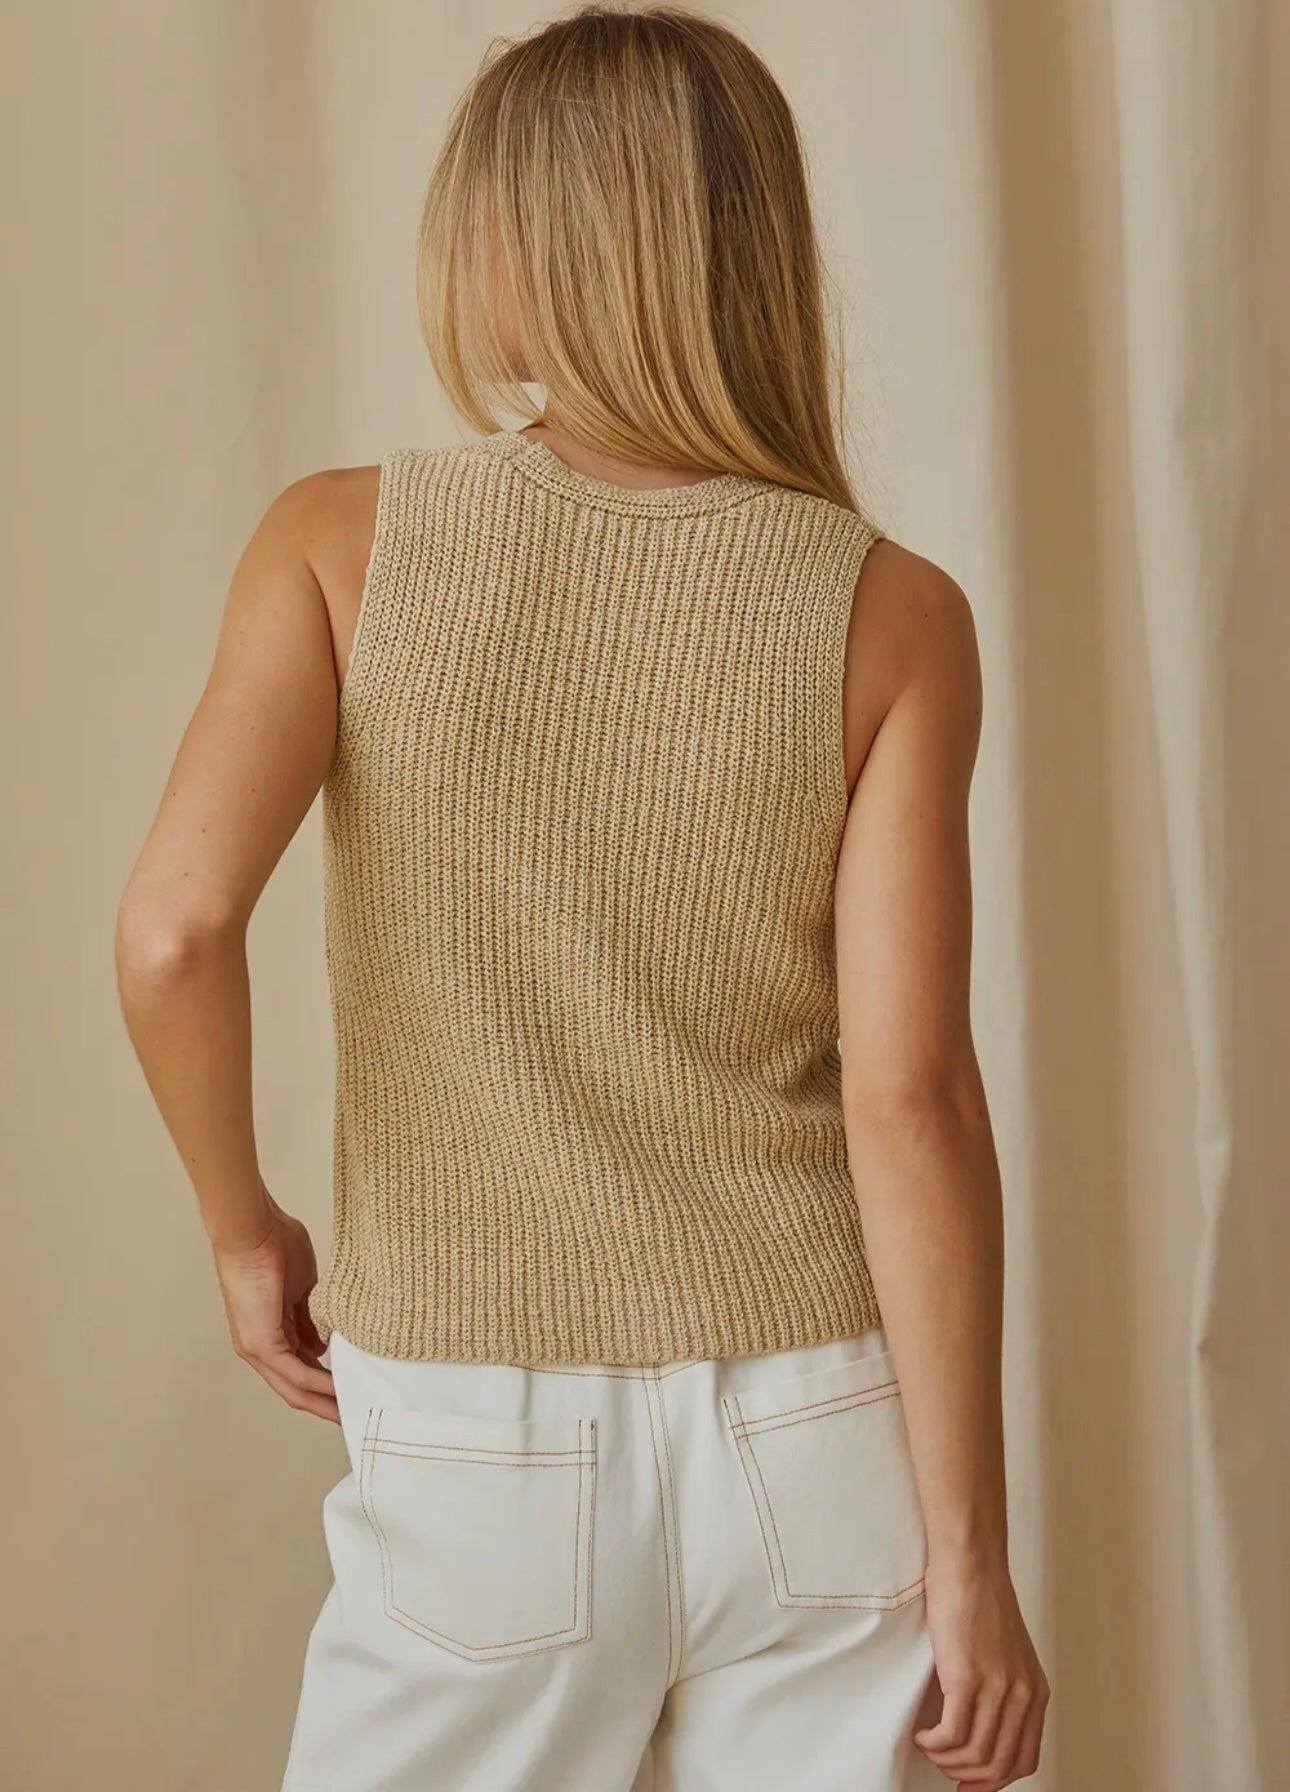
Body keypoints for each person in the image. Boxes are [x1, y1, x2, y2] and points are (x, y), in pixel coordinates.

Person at [115, 6, 1049, 1789]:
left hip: (482, 1433)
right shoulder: (893, 608)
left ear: (508, 254)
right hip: (817, 1425)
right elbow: (910, 1096)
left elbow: (172, 936)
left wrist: (245, 1234)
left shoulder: (336, 542)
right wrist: (972, 1561)